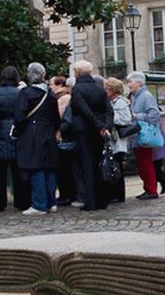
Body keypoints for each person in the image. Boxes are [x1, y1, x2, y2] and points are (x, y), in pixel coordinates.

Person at [15, 62, 60, 215]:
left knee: (37, 169)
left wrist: (17, 131)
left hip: (32, 133)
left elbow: (20, 116)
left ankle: (39, 204)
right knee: (49, 169)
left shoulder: (26, 93)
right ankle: (52, 202)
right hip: (49, 133)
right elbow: (56, 118)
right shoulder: (51, 94)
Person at [69, 60, 113, 211]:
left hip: (83, 130)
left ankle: (91, 202)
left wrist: (98, 125)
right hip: (98, 132)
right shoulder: (99, 89)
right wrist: (105, 126)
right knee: (99, 164)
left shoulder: (77, 90)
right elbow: (109, 110)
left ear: (77, 73)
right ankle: (102, 200)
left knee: (87, 166)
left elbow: (84, 110)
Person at [0, 66, 28, 212]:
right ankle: (20, 201)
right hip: (16, 132)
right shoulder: (21, 94)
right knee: (18, 171)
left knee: (0, 173)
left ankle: (0, 202)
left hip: (0, 133)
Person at [126, 71, 161, 200]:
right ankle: (148, 188)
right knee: (141, 164)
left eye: (130, 82)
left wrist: (137, 116)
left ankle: (151, 189)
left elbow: (154, 114)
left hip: (144, 135)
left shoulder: (146, 96)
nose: (128, 84)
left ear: (139, 83)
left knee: (146, 163)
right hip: (137, 135)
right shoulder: (134, 96)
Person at [104, 77, 131, 203]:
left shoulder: (120, 102)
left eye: (108, 89)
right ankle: (113, 193)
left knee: (117, 166)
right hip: (112, 140)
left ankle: (119, 195)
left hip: (118, 140)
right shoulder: (111, 102)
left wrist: (111, 117)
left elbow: (126, 119)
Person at [50, 75, 76, 206]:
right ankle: (67, 194)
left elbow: (59, 117)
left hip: (65, 139)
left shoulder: (63, 98)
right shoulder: (61, 98)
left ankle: (67, 194)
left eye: (52, 84)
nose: (50, 87)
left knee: (64, 169)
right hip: (65, 138)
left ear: (60, 86)